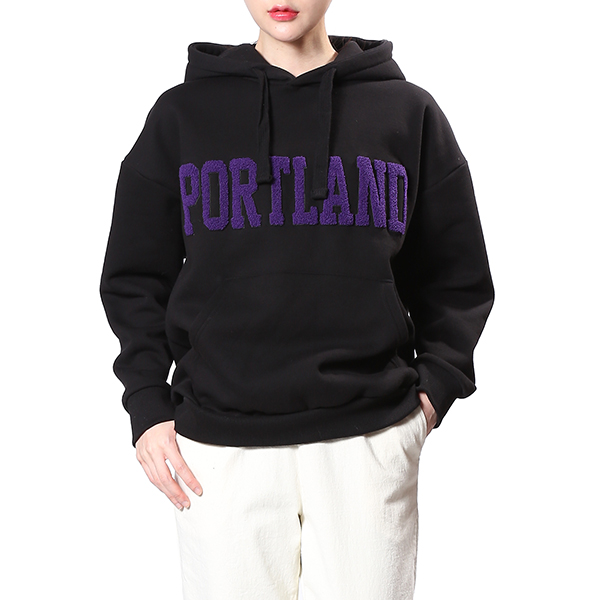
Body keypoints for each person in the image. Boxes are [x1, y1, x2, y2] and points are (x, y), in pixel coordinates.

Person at [100, 1, 494, 598]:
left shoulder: (406, 111)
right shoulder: (182, 115)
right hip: (219, 446)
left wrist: (432, 395)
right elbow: (133, 275)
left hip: (369, 439)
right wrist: (147, 405)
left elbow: (456, 275)